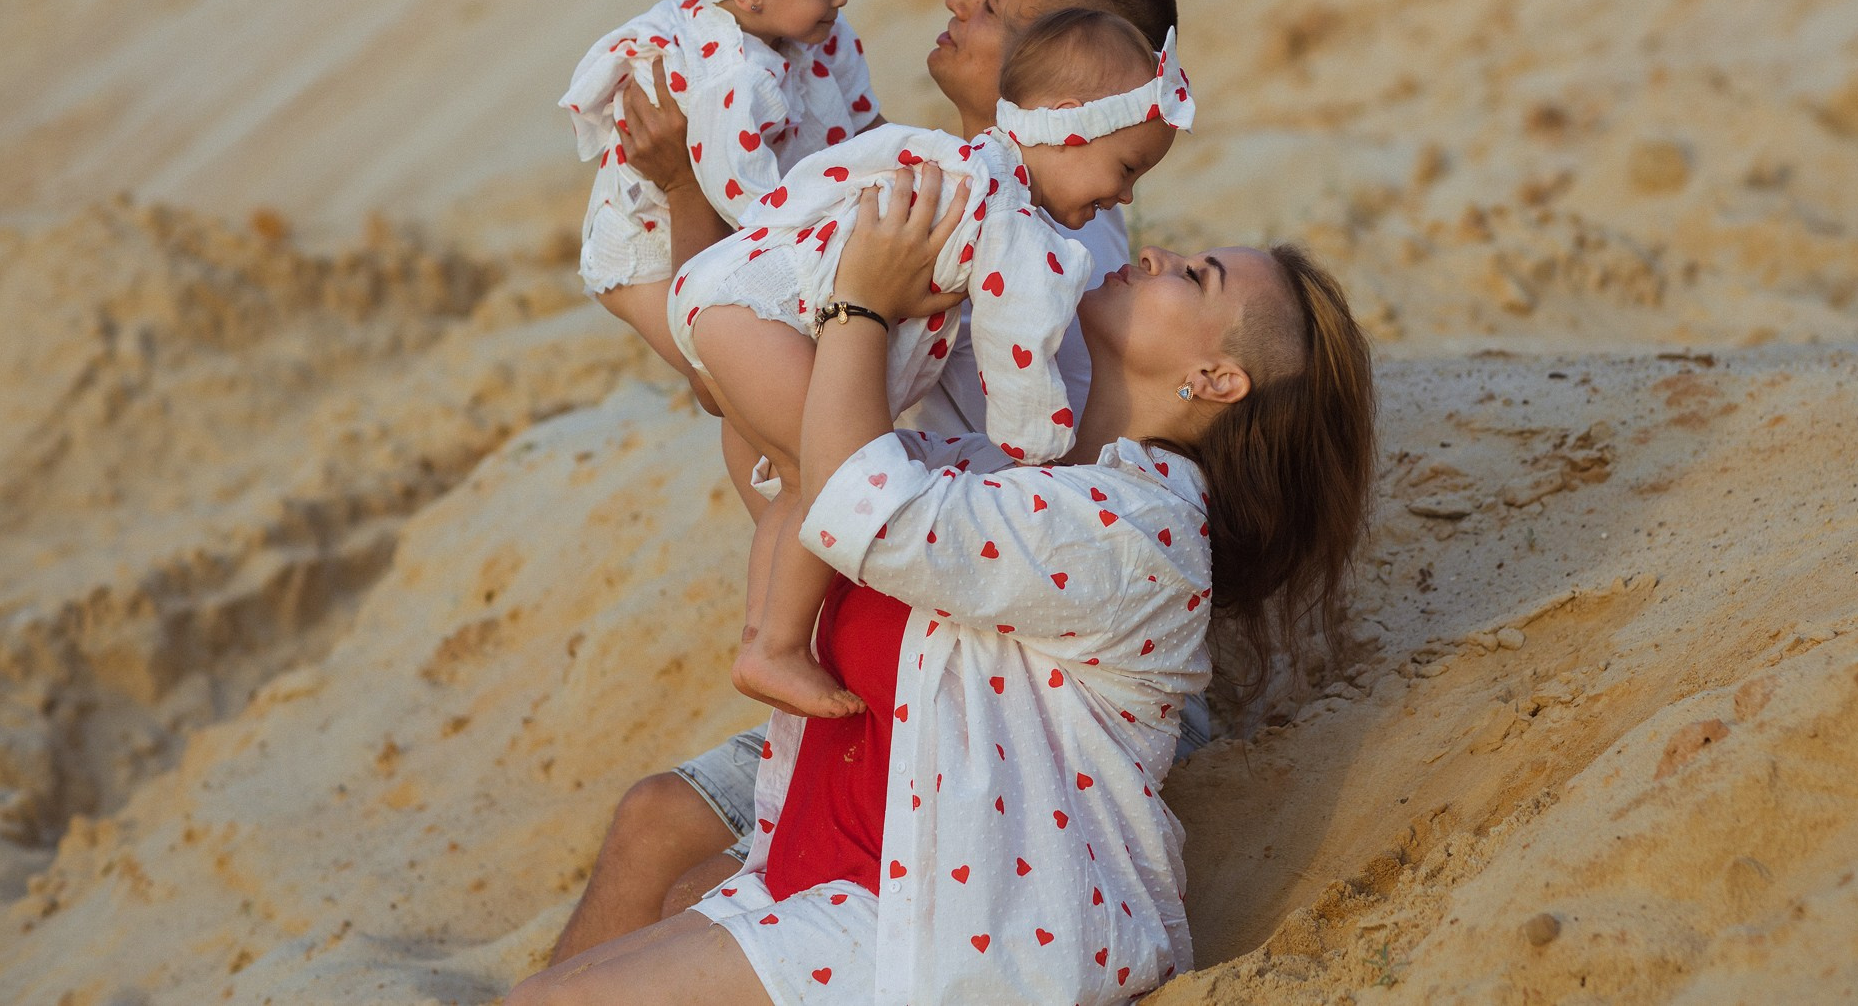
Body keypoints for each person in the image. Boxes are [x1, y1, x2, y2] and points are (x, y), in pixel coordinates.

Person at [509, 161, 1377, 1005]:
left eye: (1196, 276)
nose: (1158, 256)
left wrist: (861, 303)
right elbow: (799, 479)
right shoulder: (1008, 469)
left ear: (1217, 380)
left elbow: (862, 501)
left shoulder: (1140, 530)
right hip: (848, 878)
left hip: (951, 936)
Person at [545, 0, 1187, 964]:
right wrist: (686, 193)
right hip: (871, 634)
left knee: (676, 848)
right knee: (655, 824)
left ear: (1077, 58)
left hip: (945, 681)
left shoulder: (1046, 254)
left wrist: (693, 215)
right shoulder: (949, 180)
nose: (958, 1)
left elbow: (755, 400)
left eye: (995, 0)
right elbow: (755, 349)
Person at [669, 8, 1194, 718]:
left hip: (737, 288)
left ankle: (764, 631)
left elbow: (834, 171)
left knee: (799, 477)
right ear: (1067, 122)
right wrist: (1033, 447)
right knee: (823, 476)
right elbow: (1020, 351)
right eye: (1125, 167)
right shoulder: (1008, 216)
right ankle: (775, 645)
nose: (1126, 195)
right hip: (771, 317)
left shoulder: (947, 157)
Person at [559, 0, 881, 416]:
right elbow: (746, 199)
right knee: (726, 385)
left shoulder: (818, 32)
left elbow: (869, 129)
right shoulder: (731, 79)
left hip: (718, 215)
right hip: (646, 246)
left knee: (771, 377)